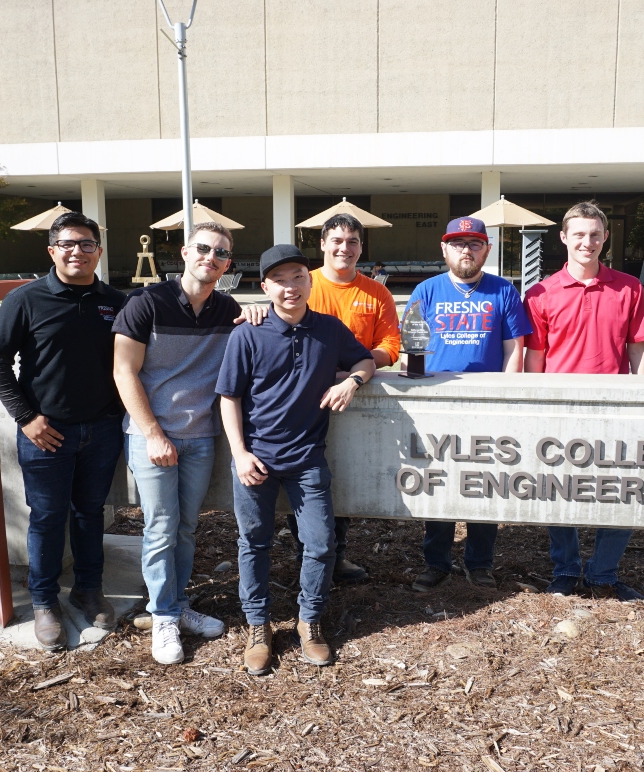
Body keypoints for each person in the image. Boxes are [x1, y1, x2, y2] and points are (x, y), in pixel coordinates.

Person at [217, 244, 376, 675]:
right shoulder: (247, 334)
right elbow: (228, 398)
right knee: (254, 544)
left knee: (321, 543)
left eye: (298, 277)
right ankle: (258, 626)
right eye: (280, 279)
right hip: (257, 461)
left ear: (310, 281)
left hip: (307, 458)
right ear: (265, 286)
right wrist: (240, 454)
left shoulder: (328, 328)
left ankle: (310, 622)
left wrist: (353, 382)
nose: (291, 287)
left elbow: (363, 357)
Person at [0, 211, 127, 650]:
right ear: (52, 250)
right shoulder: (25, 300)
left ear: (98, 252)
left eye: (86, 244)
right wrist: (26, 418)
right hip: (47, 433)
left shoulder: (116, 302)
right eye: (67, 243)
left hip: (101, 430)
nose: (77, 251)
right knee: (47, 518)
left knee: (90, 513)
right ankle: (44, 600)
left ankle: (87, 588)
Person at [112, 222, 240, 665]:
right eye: (203, 249)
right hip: (154, 437)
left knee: (186, 528)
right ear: (184, 253)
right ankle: (163, 615)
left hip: (201, 438)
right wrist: (152, 434)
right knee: (161, 527)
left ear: (227, 263)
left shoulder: (228, 309)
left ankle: (179, 604)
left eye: (221, 253)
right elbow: (124, 371)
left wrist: (257, 316)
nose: (211, 257)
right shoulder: (146, 303)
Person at [523, 201, 644, 602]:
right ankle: (565, 569)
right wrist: (534, 407)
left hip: (616, 408)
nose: (587, 242)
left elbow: (637, 350)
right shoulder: (541, 292)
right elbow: (536, 357)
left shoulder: (629, 287)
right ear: (563, 238)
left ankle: (603, 574)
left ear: (605, 238)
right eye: (578, 234)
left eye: (595, 234)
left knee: (620, 491)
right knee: (559, 490)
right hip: (561, 410)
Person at [407, 217, 532, 593]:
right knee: (438, 485)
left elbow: (515, 350)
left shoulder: (503, 291)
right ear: (444, 249)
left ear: (487, 250)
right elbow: (411, 349)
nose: (467, 250)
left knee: (485, 485)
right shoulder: (426, 292)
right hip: (439, 405)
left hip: (487, 405)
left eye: (475, 243)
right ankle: (437, 563)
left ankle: (479, 563)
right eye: (458, 243)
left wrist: (507, 398)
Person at [286, 214, 400, 584]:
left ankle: (336, 556)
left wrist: (357, 367)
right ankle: (307, 557)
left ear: (361, 248)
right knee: (302, 481)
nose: (344, 248)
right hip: (301, 401)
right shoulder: (304, 284)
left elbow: (390, 346)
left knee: (342, 478)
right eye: (336, 240)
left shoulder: (376, 292)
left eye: (352, 242)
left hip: (353, 396)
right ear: (322, 244)